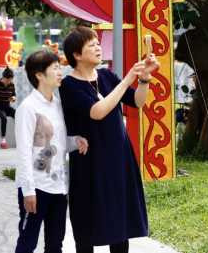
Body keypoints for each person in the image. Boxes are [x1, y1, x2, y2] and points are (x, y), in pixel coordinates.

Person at [59, 26, 159, 253]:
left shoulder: (106, 76)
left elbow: (137, 101)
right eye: (91, 45)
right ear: (76, 54)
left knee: (120, 221)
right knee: (88, 221)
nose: (98, 48)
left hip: (118, 157)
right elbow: (97, 112)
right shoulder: (69, 85)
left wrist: (143, 80)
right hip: (90, 162)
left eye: (97, 43)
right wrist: (127, 79)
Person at [14, 50, 89, 253]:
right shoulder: (28, 108)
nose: (60, 72)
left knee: (55, 244)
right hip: (36, 187)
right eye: (55, 68)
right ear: (39, 75)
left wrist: (75, 141)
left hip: (58, 187)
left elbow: (57, 143)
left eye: (60, 67)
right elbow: (23, 152)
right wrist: (28, 191)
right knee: (27, 242)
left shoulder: (57, 104)